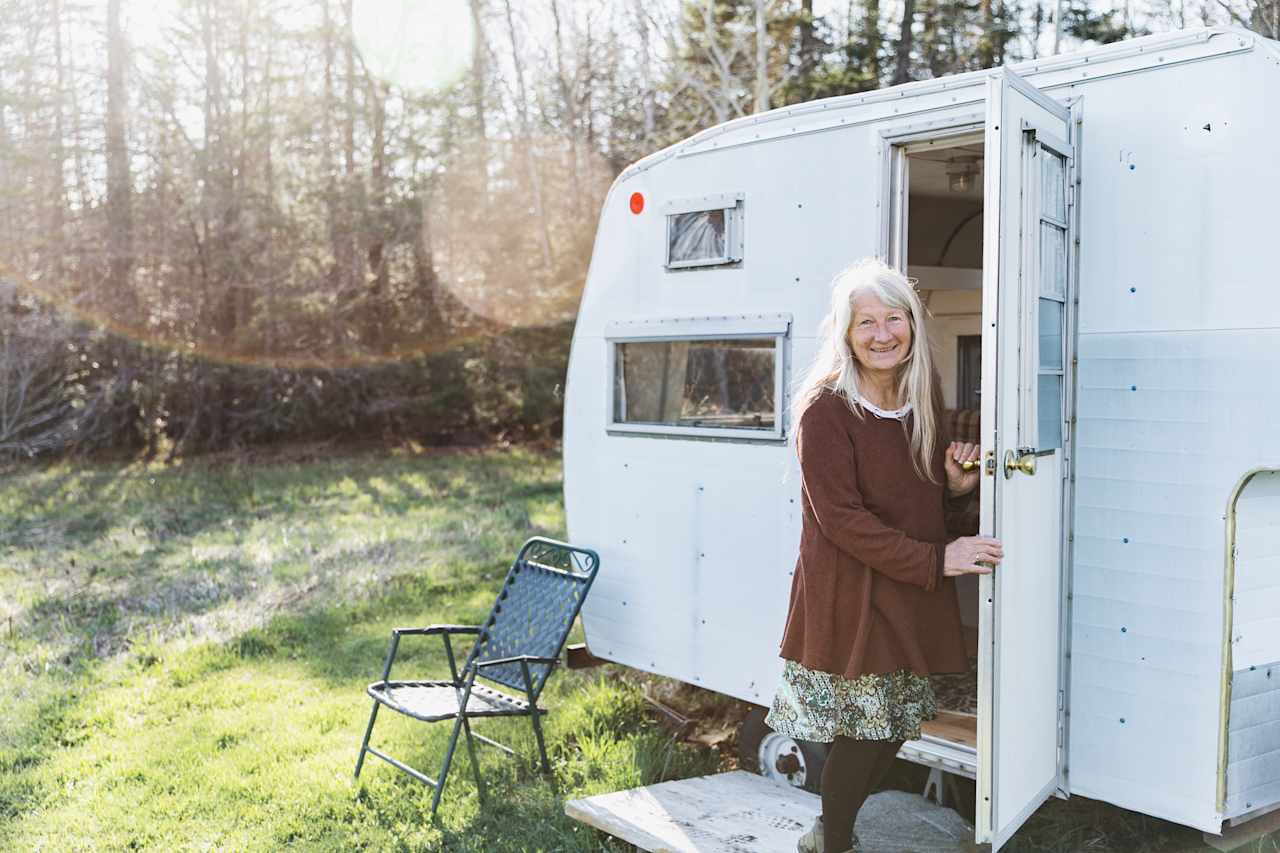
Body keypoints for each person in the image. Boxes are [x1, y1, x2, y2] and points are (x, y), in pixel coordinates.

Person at [765, 258, 1003, 853]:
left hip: (905, 591)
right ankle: (835, 843)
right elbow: (840, 520)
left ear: (912, 325)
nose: (881, 334)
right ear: (845, 332)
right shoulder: (826, 410)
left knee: (896, 724)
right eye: (864, 322)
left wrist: (952, 487)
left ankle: (828, 832)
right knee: (866, 732)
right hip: (854, 592)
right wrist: (938, 562)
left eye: (892, 318)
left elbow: (915, 506)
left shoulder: (920, 400)